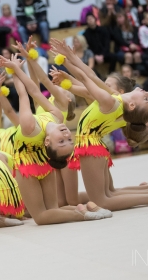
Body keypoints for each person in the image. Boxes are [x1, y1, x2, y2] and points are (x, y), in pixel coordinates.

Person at [0, 51, 109, 225]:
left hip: (28, 165)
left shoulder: (29, 126)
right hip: (39, 162)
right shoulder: (57, 116)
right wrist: (15, 68)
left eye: (61, 141)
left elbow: (24, 95)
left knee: (41, 216)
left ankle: (83, 213)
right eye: (69, 140)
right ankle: (87, 209)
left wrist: (16, 72)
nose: (66, 135)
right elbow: (34, 91)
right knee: (51, 210)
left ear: (48, 142)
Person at [51, 38, 148, 211]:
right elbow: (92, 78)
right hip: (96, 145)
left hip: (90, 146)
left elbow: (87, 77)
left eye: (146, 99)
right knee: (109, 193)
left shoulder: (111, 102)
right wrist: (70, 58)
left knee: (102, 200)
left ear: (133, 105)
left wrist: (68, 59)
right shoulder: (116, 101)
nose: (146, 92)